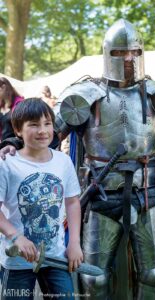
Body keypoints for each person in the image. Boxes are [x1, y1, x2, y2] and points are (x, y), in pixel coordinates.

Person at [0, 19, 155, 300]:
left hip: (149, 194)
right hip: (99, 193)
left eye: (134, 52)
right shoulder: (83, 95)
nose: (128, 59)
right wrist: (12, 144)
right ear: (106, 54)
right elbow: (47, 135)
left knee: (153, 274)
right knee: (93, 275)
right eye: (119, 53)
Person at [0, 98, 83, 299]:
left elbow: (72, 202)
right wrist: (16, 236)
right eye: (34, 125)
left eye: (47, 124)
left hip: (56, 257)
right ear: (18, 130)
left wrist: (74, 242)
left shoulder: (63, 162)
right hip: (17, 259)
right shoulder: (7, 163)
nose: (42, 131)